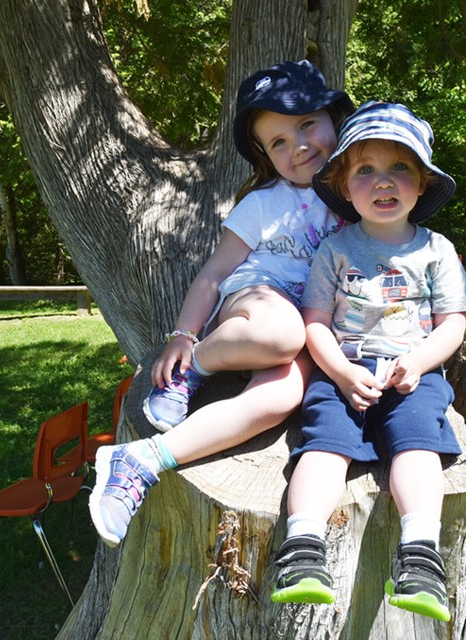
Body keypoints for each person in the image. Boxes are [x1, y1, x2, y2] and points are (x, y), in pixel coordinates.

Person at [88, 60, 355, 548]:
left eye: (306, 124)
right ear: (264, 156)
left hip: (311, 320)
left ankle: (144, 460)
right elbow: (213, 273)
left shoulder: (360, 190)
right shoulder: (262, 204)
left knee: (281, 397)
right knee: (280, 334)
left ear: (335, 117)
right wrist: (185, 337)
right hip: (257, 304)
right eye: (277, 141)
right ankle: (198, 368)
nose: (297, 145)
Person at [269, 101, 466, 622]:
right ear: (343, 186)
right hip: (346, 370)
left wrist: (421, 360)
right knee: (324, 444)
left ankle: (421, 554)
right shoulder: (335, 250)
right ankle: (303, 549)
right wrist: (339, 371)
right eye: (365, 170)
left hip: (413, 373)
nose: (382, 182)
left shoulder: (437, 251)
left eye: (399, 168)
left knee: (417, 442)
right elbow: (314, 321)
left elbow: (453, 322)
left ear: (424, 183)